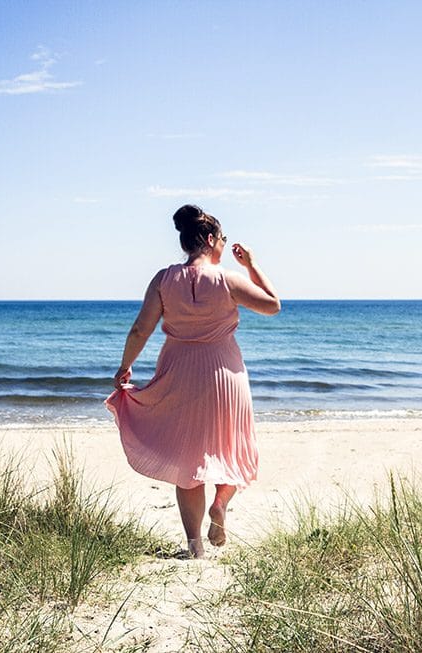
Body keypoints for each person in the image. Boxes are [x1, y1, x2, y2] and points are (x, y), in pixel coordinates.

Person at [106, 204, 280, 559]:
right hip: (224, 374)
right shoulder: (228, 279)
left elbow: (141, 328)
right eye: (224, 239)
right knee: (233, 446)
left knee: (188, 463)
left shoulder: (163, 279)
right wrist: (250, 264)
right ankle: (220, 503)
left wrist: (125, 366)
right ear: (212, 240)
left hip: (178, 371)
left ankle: (195, 547)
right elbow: (273, 304)